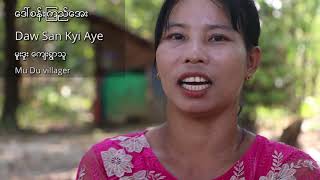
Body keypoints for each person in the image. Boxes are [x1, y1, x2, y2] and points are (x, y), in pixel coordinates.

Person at [76, 0, 320, 179]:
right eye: (177, 36)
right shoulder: (107, 167)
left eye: (217, 38)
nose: (194, 55)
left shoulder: (293, 172)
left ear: (251, 62)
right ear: (158, 58)